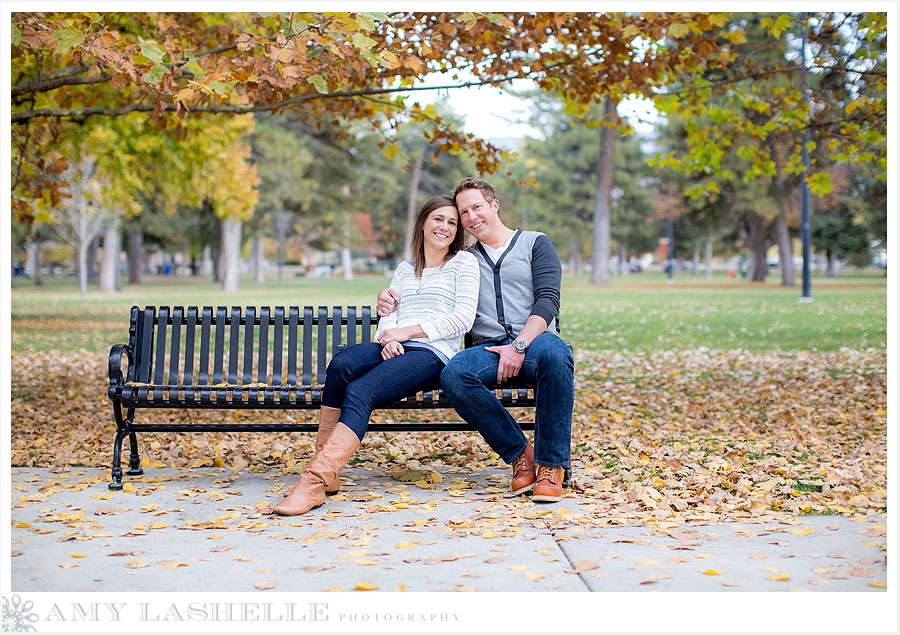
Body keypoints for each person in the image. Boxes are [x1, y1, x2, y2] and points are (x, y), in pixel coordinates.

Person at [273, 195, 480, 516]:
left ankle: (313, 482)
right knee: (342, 364)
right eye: (439, 219)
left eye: (452, 222)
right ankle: (328, 472)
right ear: (423, 222)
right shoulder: (404, 269)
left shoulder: (463, 263)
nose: (446, 227)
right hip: (397, 344)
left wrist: (406, 332)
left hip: (435, 352)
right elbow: (390, 312)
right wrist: (387, 338)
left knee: (361, 391)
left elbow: (462, 318)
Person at [378, 177, 575, 503]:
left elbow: (547, 301)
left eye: (477, 207)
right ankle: (520, 455)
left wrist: (519, 346)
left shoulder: (535, 243)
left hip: (536, 340)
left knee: (558, 357)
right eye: (464, 212)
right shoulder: (463, 259)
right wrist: (389, 296)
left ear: (494, 205)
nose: (471, 217)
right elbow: (421, 281)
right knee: (454, 374)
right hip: (487, 347)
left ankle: (551, 465)